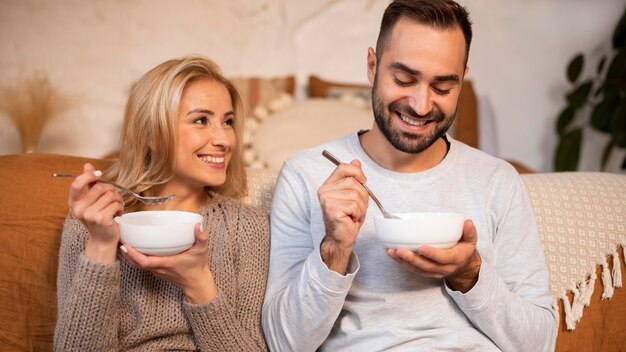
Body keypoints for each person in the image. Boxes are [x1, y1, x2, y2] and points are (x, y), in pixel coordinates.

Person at [262, 0, 556, 351]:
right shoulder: (306, 175)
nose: (420, 105)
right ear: (372, 66)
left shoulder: (497, 181)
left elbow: (539, 343)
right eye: (404, 79)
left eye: (443, 87)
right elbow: (283, 342)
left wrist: (469, 274)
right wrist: (335, 249)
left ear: (462, 80)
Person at [54, 56, 269, 351]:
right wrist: (102, 247)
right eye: (201, 120)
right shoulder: (93, 221)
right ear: (151, 134)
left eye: (228, 122)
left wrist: (198, 285)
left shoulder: (248, 226)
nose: (224, 140)